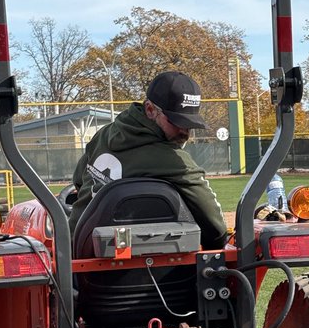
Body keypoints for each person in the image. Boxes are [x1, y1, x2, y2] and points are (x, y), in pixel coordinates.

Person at [67, 69, 228, 249]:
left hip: (75, 246)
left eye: (190, 125)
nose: (185, 132)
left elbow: (79, 181)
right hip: (123, 261)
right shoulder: (173, 160)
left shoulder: (104, 134)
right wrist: (218, 243)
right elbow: (215, 228)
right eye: (176, 122)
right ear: (150, 110)